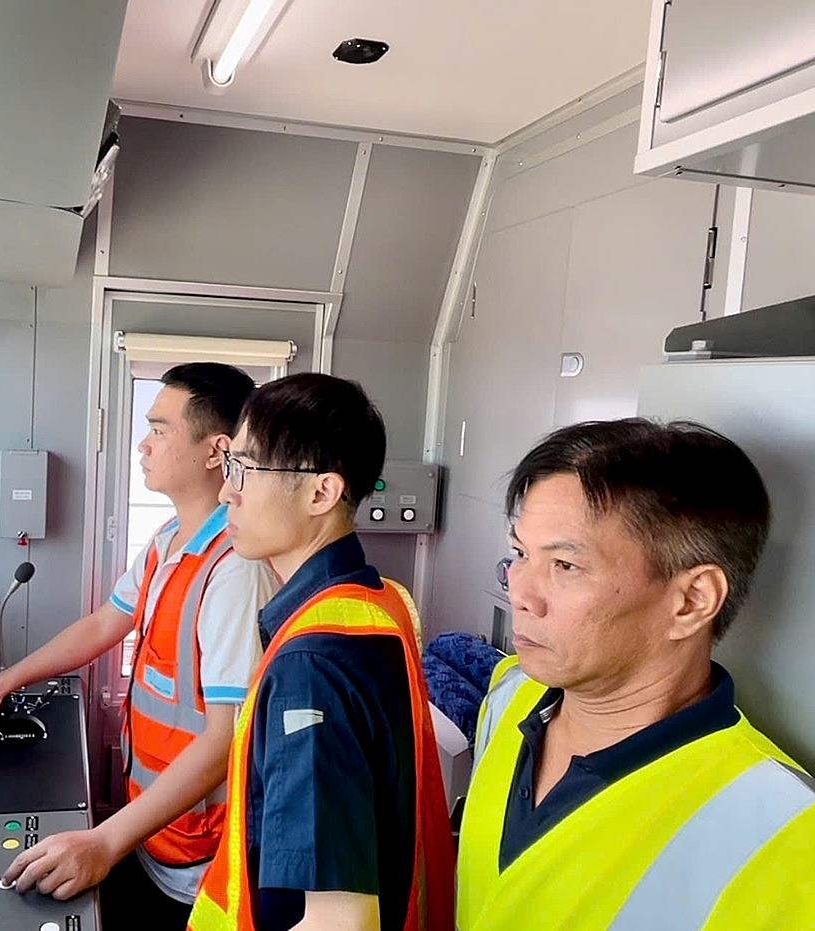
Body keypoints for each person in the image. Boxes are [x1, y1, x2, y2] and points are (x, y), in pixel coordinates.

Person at [0, 362, 278, 928]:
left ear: (214, 450)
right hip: (154, 831)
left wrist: (104, 843)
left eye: (159, 428)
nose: (143, 445)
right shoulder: (167, 542)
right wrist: (6, 681)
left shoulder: (234, 571)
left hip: (201, 859)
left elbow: (227, 737)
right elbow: (107, 622)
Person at [458, 418, 815, 929]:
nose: (520, 593)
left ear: (691, 601)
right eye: (519, 554)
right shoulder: (512, 691)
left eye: (565, 565)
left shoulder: (784, 831)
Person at [189, 373, 455, 931]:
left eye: (243, 468)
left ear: (321, 493)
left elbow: (340, 920)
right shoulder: (379, 601)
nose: (224, 491)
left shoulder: (313, 663)